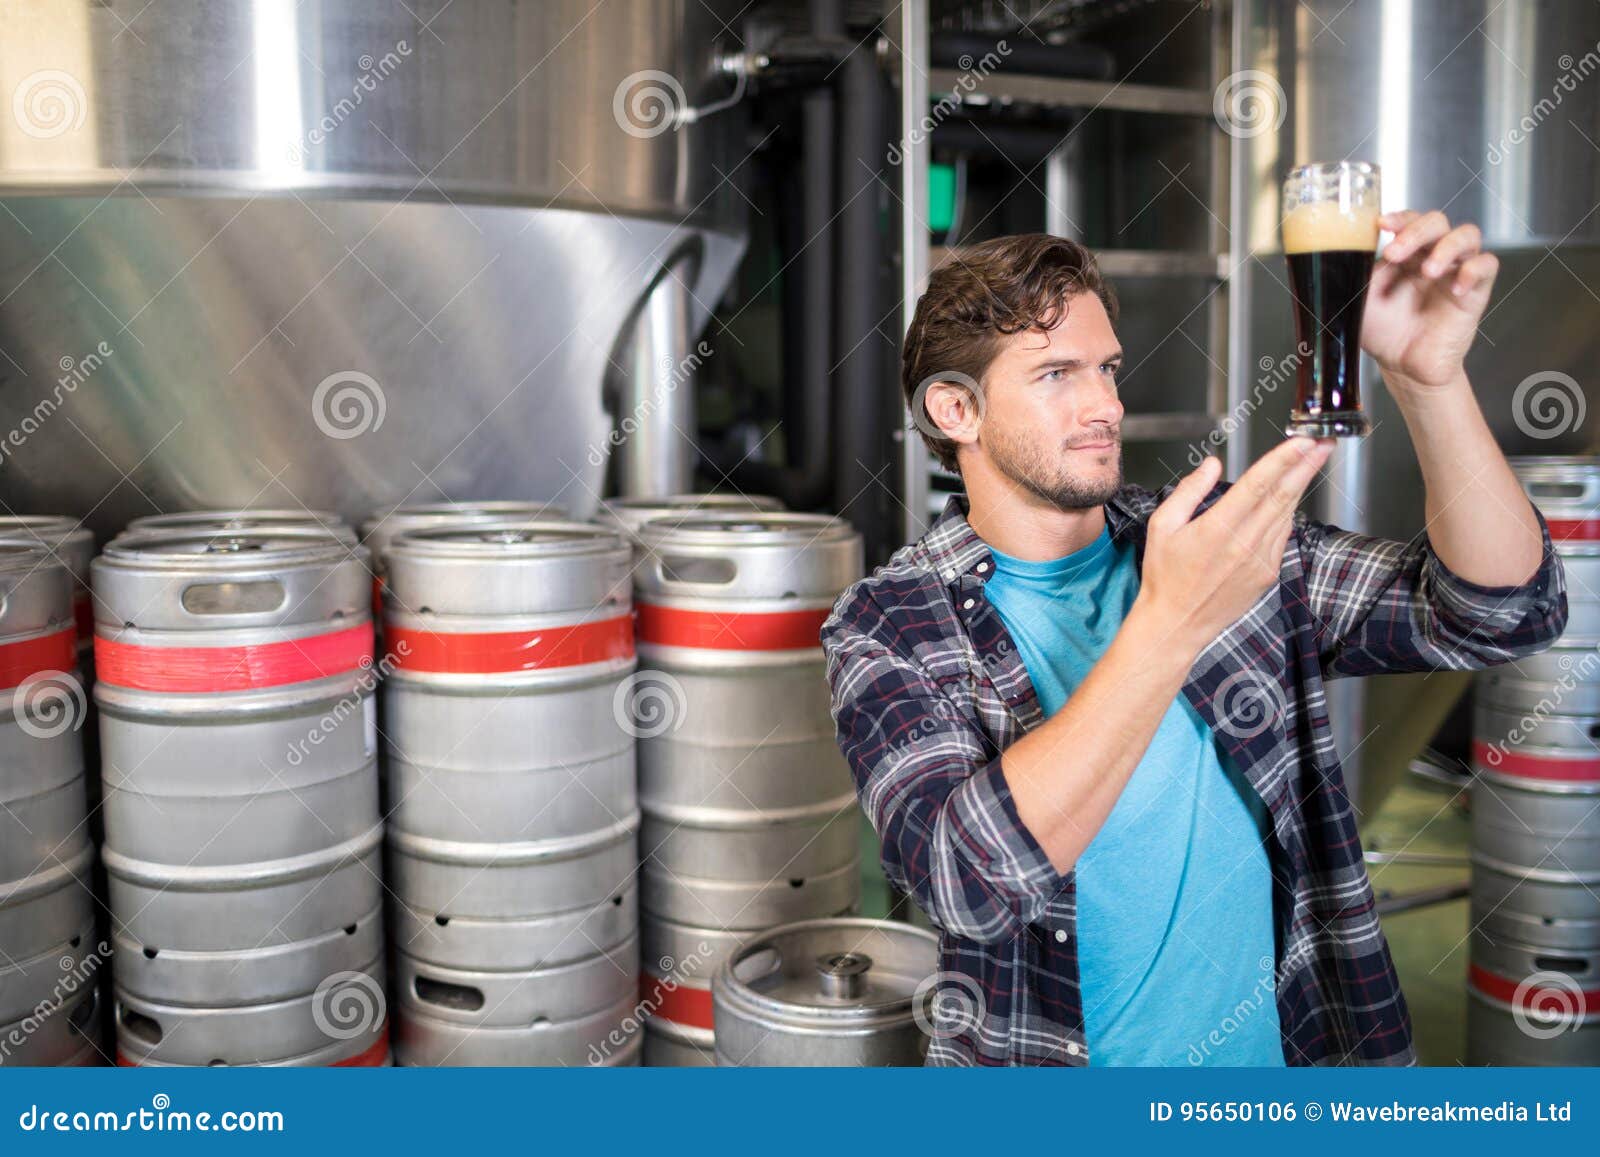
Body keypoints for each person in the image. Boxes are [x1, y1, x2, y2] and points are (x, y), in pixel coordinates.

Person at [820, 215, 1568, 1066]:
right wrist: (1169, 623)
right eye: (1057, 374)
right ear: (957, 409)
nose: (1106, 405)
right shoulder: (891, 624)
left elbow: (1503, 612)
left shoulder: (1210, 542)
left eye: (1106, 369)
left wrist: (1428, 381)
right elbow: (963, 881)